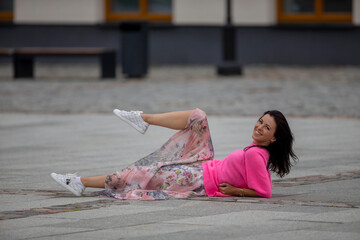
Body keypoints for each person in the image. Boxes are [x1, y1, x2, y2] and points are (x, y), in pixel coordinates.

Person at [51, 108, 298, 200]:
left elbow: (265, 191)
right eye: (260, 121)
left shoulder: (257, 155)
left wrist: (234, 191)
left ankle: (79, 182)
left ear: (274, 138)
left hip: (197, 179)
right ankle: (142, 118)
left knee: (139, 175)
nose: (259, 127)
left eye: (267, 128)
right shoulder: (255, 149)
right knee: (198, 116)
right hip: (201, 166)